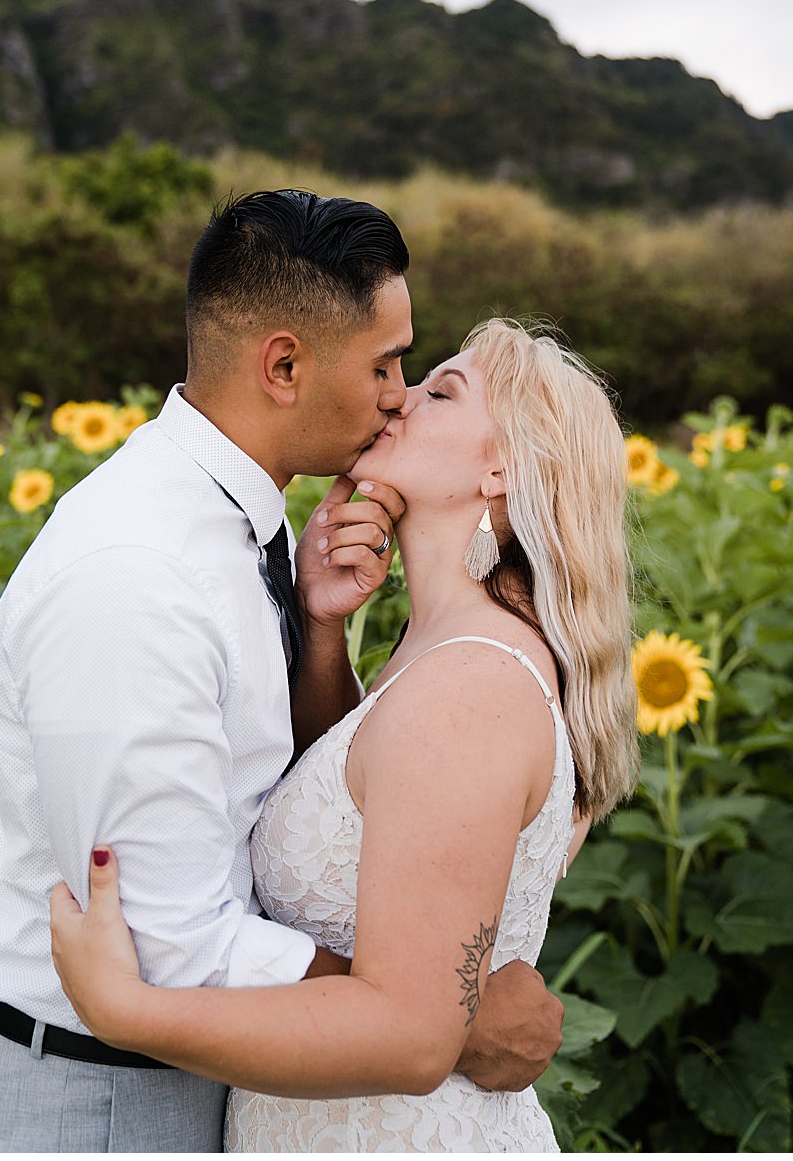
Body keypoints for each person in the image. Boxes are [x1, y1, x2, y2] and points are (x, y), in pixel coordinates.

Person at [0, 191, 563, 1153]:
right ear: (284, 365)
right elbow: (159, 944)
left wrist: (320, 638)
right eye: (386, 365)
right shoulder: (136, 576)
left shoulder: (246, 527)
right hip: (94, 1106)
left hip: (207, 1079)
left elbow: (290, 794)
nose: (399, 394)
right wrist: (449, 1012)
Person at [49, 317, 642, 1151]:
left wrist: (124, 1010)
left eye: (440, 392)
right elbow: (362, 810)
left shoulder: (470, 688)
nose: (397, 399)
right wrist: (322, 631)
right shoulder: (440, 647)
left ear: (504, 467)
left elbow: (411, 1038)